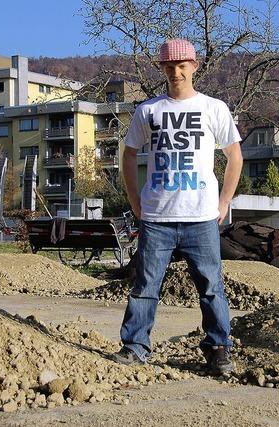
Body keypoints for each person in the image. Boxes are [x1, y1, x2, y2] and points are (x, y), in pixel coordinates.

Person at [111, 39, 243, 375]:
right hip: (157, 216)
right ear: (162, 69)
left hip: (201, 216)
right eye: (169, 66)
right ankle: (135, 347)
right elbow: (128, 155)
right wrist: (135, 201)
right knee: (145, 286)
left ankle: (218, 349)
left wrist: (225, 200)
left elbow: (234, 156)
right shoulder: (149, 111)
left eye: (182, 65)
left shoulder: (214, 109)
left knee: (212, 287)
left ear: (194, 66)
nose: (176, 71)